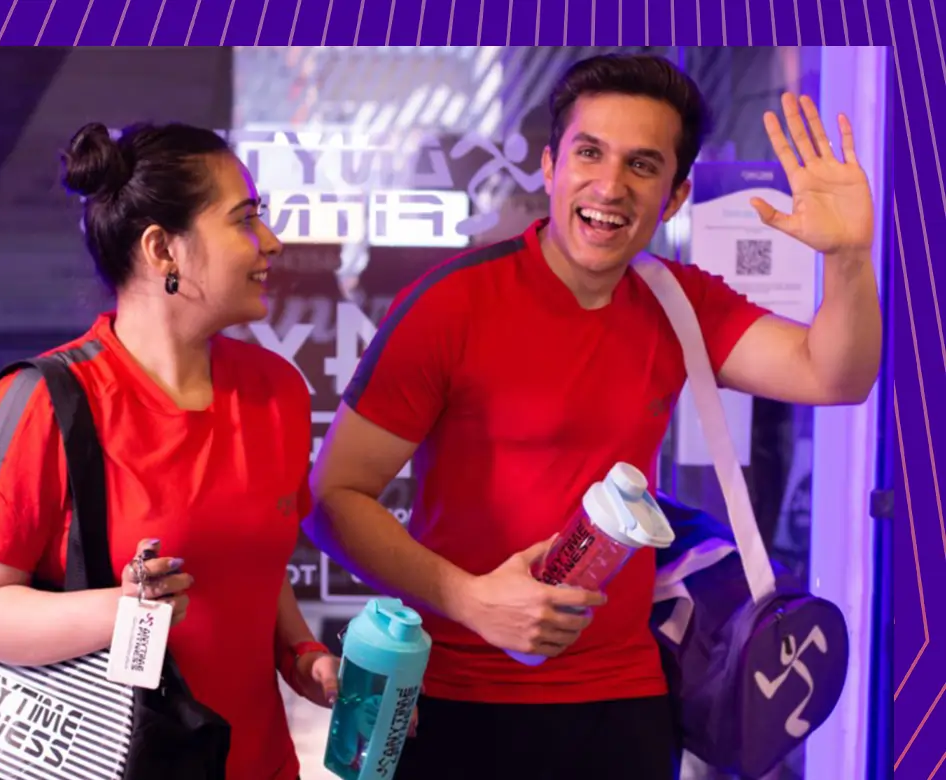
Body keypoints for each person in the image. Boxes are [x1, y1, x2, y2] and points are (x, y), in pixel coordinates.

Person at [306, 53, 880, 779]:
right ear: (549, 166)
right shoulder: (451, 305)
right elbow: (332, 499)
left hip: (626, 704)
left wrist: (852, 258)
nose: (610, 186)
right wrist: (472, 600)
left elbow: (837, 376)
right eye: (589, 152)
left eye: (643, 165)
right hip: (457, 699)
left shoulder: (679, 301)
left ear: (675, 196)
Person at [0, 121, 340, 780]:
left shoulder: (277, 392)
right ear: (164, 250)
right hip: (116, 761)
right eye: (244, 220)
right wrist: (119, 610)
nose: (270, 242)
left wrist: (302, 655)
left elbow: (251, 572)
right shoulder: (47, 401)